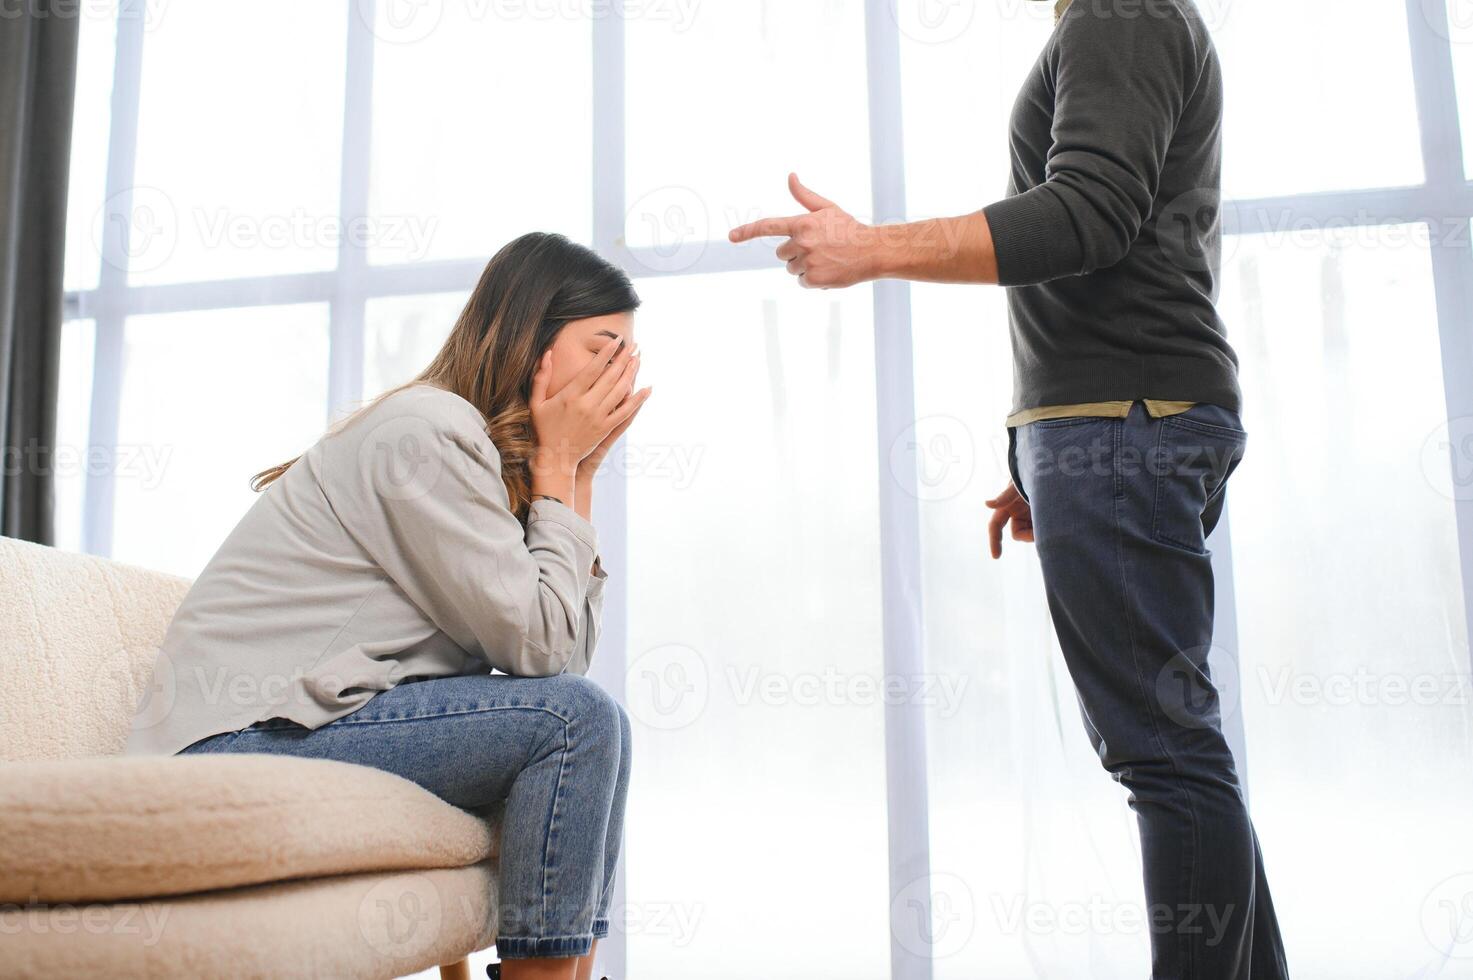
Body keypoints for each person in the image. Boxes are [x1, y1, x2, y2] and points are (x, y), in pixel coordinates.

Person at [729, 0, 1288, 976]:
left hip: (1125, 421)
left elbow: (1091, 214)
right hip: (1116, 423)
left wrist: (873, 249)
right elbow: (1128, 236)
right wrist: (1039, 446)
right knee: (1177, 744)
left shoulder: (1124, 12)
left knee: (1165, 752)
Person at [125, 232, 652, 980]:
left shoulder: (488, 462)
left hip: (312, 720)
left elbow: (557, 656)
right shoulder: (425, 434)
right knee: (576, 722)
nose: (620, 377)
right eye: (603, 349)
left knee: (598, 723)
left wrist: (578, 475)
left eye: (630, 356)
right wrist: (561, 466)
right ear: (532, 343)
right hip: (234, 740)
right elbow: (544, 662)